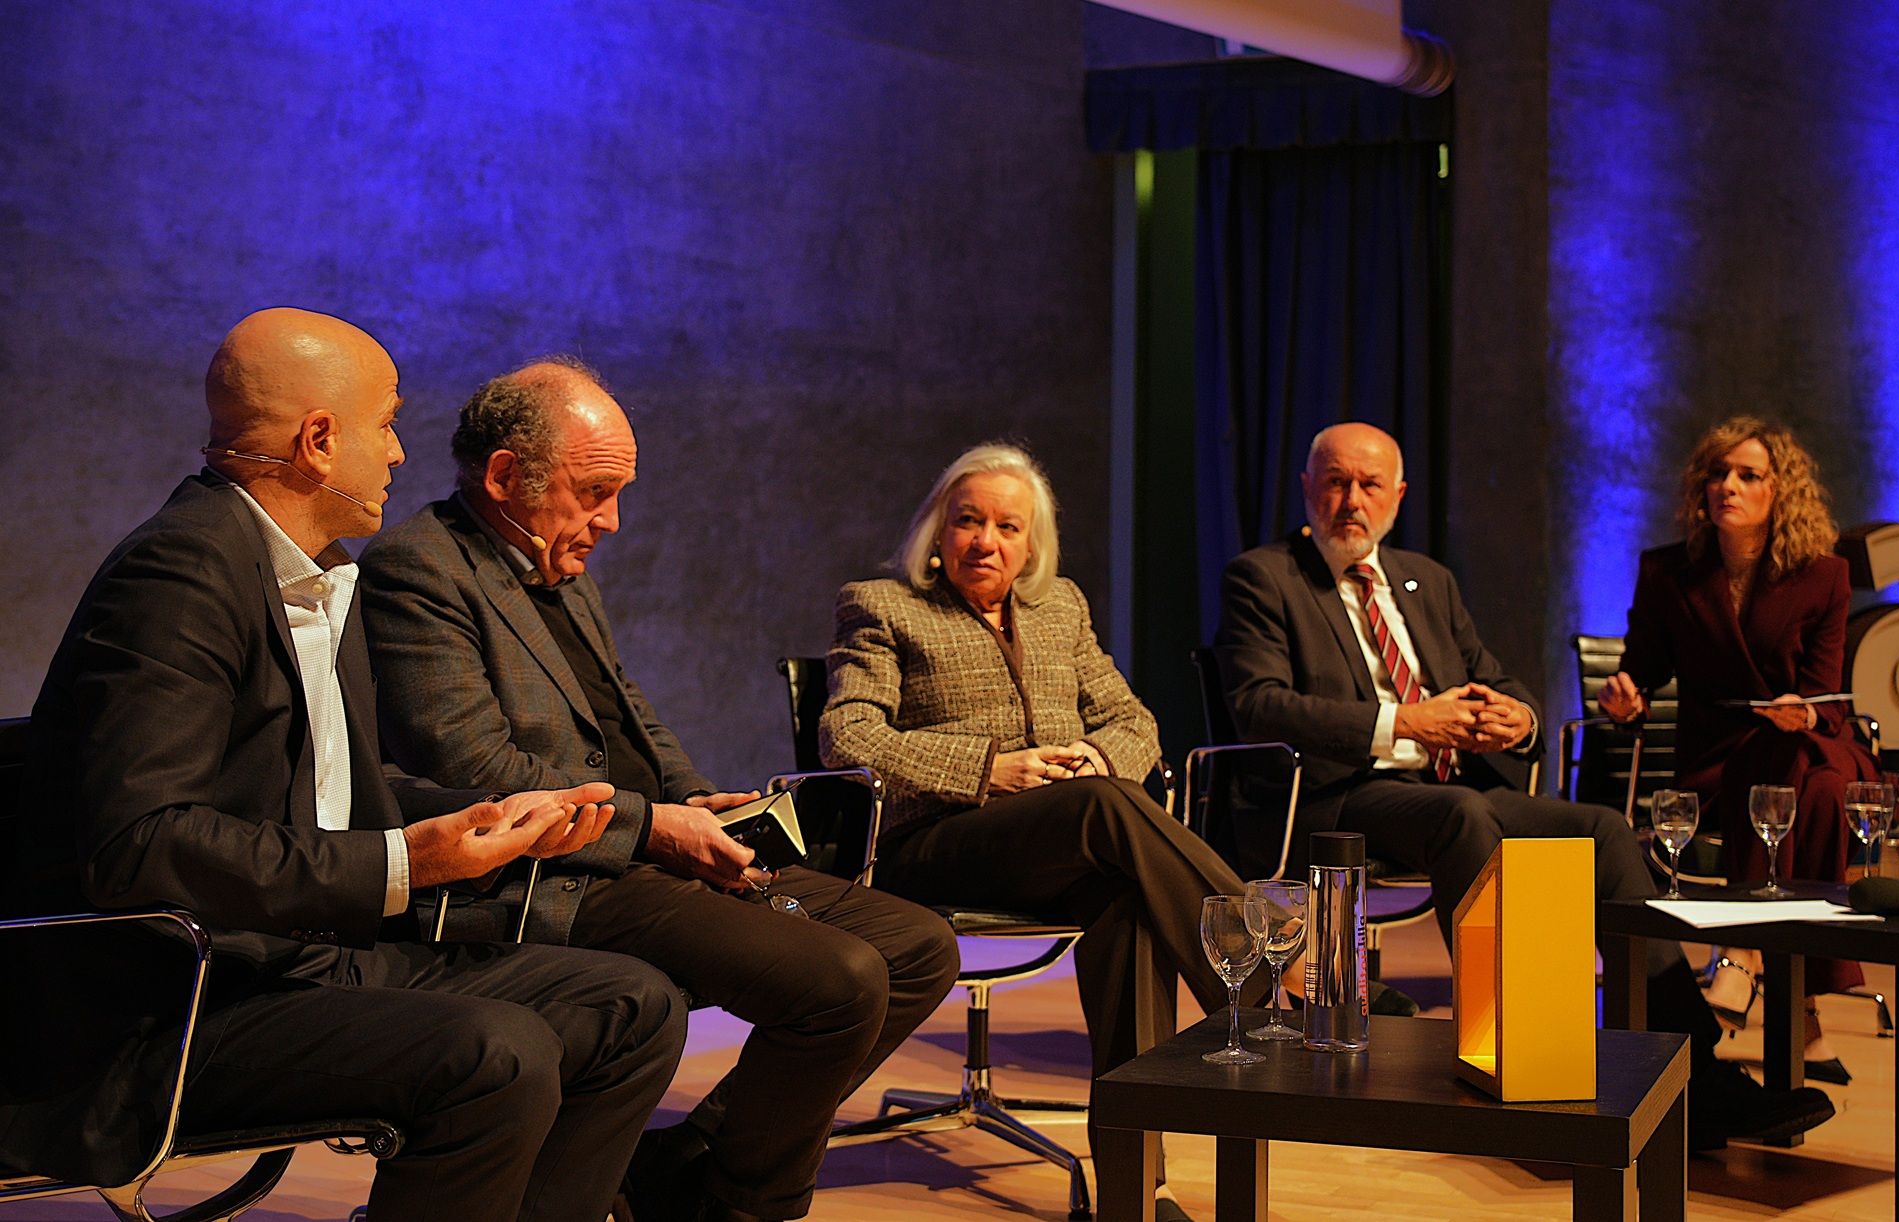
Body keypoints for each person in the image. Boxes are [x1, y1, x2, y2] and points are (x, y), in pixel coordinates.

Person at [1, 309, 684, 1221]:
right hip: (185, 1000)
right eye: (387, 422)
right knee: (498, 1051)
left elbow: (328, 794)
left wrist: (503, 816)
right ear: (320, 441)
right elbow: (141, 844)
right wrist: (411, 862)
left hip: (309, 960)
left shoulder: (318, 574)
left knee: (633, 1003)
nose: (398, 453)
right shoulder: (181, 573)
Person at [358, 358, 959, 1222]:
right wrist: (651, 827)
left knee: (917, 945)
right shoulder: (419, 568)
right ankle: (744, 1205)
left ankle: (685, 1164)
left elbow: (628, 712)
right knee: (842, 980)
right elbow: (473, 774)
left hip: (645, 846)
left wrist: (693, 796)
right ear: (503, 477)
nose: (611, 521)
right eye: (594, 492)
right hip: (560, 874)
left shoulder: (562, 568)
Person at [1214, 420, 1836, 1149]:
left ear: (1399, 495)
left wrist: (1520, 719)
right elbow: (1260, 703)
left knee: (1601, 827)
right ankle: (1521, 1060)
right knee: (1463, 815)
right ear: (1307, 488)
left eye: (1370, 485)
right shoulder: (1265, 576)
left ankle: (1685, 1063)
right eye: (1336, 482)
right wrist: (1407, 721)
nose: (1352, 500)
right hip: (1334, 794)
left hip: (1445, 791)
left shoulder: (1426, 581)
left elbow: (1494, 675)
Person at [819, 441, 1259, 1220]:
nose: (986, 541)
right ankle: (1262, 973)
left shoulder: (1061, 611)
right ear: (938, 530)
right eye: (968, 522)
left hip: (1058, 840)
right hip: (939, 846)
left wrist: (1093, 754)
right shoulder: (884, 608)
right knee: (1105, 806)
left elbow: (1134, 721)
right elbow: (848, 738)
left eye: (1006, 527)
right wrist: (990, 769)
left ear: (1031, 544)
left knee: (1127, 904)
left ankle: (1134, 1186)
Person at [1598, 416, 1874, 1084]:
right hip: (1716, 758)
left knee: (1814, 780)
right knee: (1792, 784)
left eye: (1748, 475)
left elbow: (1824, 692)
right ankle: (1798, 1008)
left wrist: (1800, 711)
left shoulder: (1824, 574)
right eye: (1718, 474)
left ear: (1781, 490)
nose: (1729, 486)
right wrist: (1628, 700)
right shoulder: (1667, 572)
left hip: (1807, 744)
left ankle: (1743, 962)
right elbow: (1643, 669)